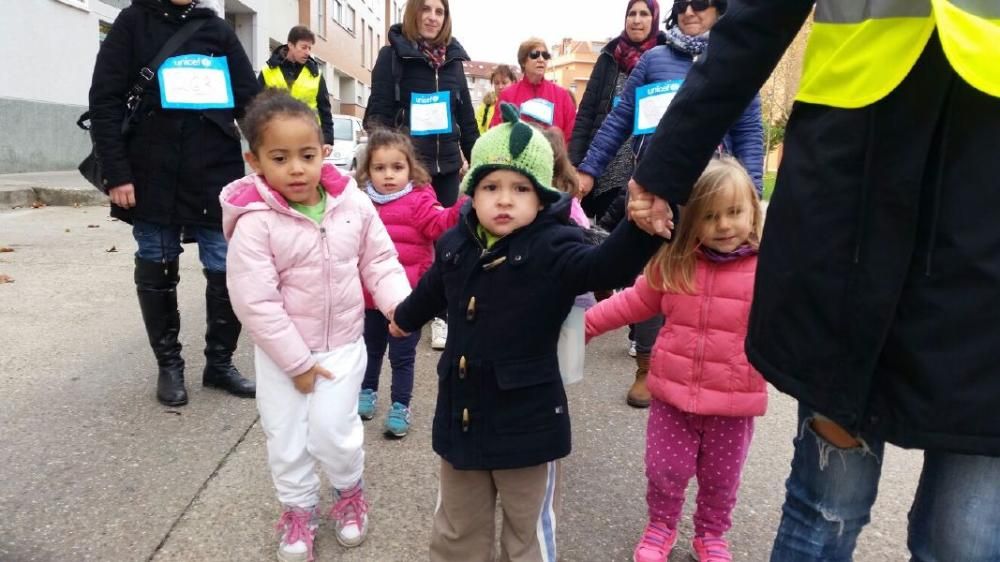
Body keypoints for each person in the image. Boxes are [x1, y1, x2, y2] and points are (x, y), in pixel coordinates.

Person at [626, 1, 1000, 560]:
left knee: (966, 538)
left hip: (983, 207)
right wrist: (665, 165)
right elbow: (753, 25)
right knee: (828, 505)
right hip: (852, 201)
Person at [388, 104, 662, 561]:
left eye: (520, 188)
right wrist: (405, 317)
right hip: (462, 416)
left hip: (528, 425)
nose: (504, 199)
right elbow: (436, 287)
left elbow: (606, 265)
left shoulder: (556, 246)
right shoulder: (457, 242)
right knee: (457, 530)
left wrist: (639, 230)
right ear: (472, 192)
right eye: (491, 186)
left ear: (542, 197)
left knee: (527, 533)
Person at [220, 90, 411, 562]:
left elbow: (380, 261)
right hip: (283, 355)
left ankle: (349, 493)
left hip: (344, 344)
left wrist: (399, 309)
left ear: (324, 151)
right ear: (255, 159)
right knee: (285, 437)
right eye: (280, 158)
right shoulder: (254, 222)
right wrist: (297, 362)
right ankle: (298, 508)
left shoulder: (353, 204)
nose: (297, 169)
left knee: (333, 431)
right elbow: (255, 301)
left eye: (306, 155)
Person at [578, 0, 763, 410]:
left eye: (702, 4)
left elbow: (749, 131)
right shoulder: (654, 61)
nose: (690, 12)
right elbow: (619, 119)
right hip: (658, 193)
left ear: (721, 11)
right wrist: (588, 169)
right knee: (656, 275)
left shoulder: (736, 60)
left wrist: (750, 197)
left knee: (711, 282)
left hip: (714, 196)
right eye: (683, 5)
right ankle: (646, 367)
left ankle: (708, 372)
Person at [587, 157, 765, 562]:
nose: (723, 225)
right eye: (710, 216)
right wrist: (586, 326)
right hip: (672, 398)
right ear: (690, 220)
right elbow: (631, 302)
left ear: (752, 212)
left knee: (721, 479)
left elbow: (793, 325)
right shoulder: (674, 264)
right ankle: (661, 526)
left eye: (734, 213)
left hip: (732, 404)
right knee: (666, 472)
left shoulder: (767, 273)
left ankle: (712, 535)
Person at [88, 0, 259, 406]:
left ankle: (220, 364)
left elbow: (252, 102)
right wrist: (117, 172)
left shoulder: (216, 30)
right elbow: (105, 100)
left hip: (214, 171)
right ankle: (169, 365)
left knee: (225, 268)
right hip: (152, 171)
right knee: (157, 262)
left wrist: (282, 152)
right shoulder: (133, 22)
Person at [365, 0, 479, 352]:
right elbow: (377, 115)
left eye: (439, 11)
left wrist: (481, 163)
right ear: (413, 12)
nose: (432, 16)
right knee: (407, 247)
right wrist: (384, 162)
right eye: (425, 9)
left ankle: (443, 315)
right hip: (406, 173)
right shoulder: (392, 57)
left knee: (450, 244)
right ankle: (399, 305)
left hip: (445, 167)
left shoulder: (454, 62)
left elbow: (467, 117)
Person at [356, 128, 465, 438]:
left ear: (410, 168)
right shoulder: (361, 202)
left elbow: (440, 224)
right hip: (368, 298)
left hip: (407, 300)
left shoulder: (420, 200)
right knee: (371, 350)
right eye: (379, 168)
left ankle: (400, 405)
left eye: (397, 167)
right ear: (368, 171)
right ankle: (367, 391)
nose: (388, 175)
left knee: (402, 357)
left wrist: (463, 207)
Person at [570, 0, 666, 221]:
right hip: (603, 167)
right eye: (631, 14)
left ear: (655, 19)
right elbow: (585, 114)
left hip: (641, 170)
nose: (637, 20)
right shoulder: (608, 57)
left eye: (644, 14)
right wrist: (576, 163)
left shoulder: (665, 57)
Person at [259, 25, 335, 146]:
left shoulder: (316, 75)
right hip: (276, 138)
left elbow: (325, 110)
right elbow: (257, 108)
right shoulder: (268, 71)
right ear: (290, 45)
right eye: (303, 47)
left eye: (309, 48)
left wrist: (328, 141)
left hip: (308, 138)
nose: (307, 52)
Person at [489, 38, 577, 142]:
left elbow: (572, 136)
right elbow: (495, 133)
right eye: (535, 54)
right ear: (523, 62)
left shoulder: (562, 96)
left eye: (545, 55)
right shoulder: (507, 96)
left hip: (553, 157)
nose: (541, 59)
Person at [474, 64, 517, 135]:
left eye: (504, 83)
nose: (500, 87)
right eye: (496, 83)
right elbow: (477, 128)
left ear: (513, 83)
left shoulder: (518, 104)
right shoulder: (487, 104)